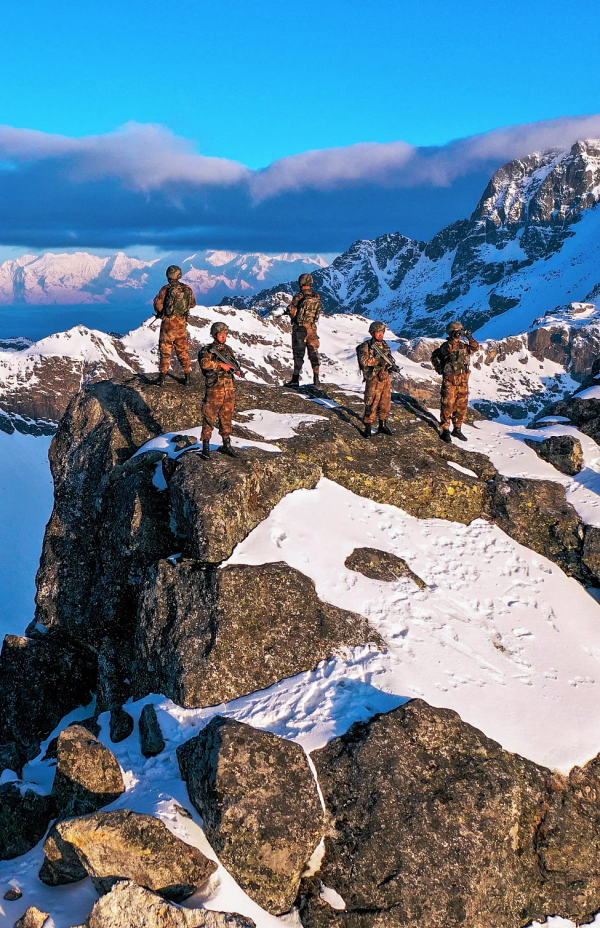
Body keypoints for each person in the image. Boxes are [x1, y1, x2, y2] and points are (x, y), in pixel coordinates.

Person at [431, 321, 480, 443]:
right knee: (448, 404)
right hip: (450, 381)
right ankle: (445, 429)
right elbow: (449, 351)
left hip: (463, 381)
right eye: (458, 331)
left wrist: (469, 337)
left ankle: (457, 428)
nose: (460, 334)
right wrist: (454, 339)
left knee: (461, 405)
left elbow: (475, 347)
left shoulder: (464, 346)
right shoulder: (446, 346)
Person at [199, 321, 242, 459]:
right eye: (220, 334)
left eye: (225, 334)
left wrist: (236, 370)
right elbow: (204, 364)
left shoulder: (228, 350)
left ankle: (226, 444)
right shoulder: (207, 350)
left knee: (227, 417)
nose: (223, 336)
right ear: (214, 335)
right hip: (214, 389)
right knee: (209, 417)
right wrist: (220, 365)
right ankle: (205, 446)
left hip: (229, 389)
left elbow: (233, 364)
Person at [153, 265, 196, 386]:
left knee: (165, 349)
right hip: (182, 324)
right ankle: (187, 376)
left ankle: (161, 378)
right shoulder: (187, 289)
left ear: (168, 276)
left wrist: (162, 312)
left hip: (168, 324)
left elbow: (158, 305)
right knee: (182, 350)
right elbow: (193, 304)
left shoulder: (166, 289)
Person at [356, 321, 395, 439]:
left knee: (385, 403)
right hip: (373, 379)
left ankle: (382, 424)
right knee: (371, 402)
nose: (380, 335)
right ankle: (368, 427)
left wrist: (391, 365)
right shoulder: (366, 346)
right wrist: (378, 361)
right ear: (372, 333)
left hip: (385, 378)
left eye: (382, 333)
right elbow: (364, 361)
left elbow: (389, 358)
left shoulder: (385, 345)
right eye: (378, 333)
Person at [285, 273, 322, 387]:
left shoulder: (298, 297)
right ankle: (316, 379)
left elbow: (292, 312)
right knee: (313, 352)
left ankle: (295, 379)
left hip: (300, 329)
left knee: (299, 354)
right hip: (312, 328)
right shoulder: (316, 296)